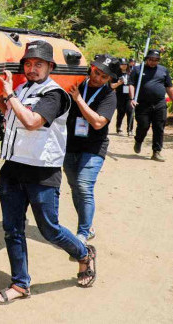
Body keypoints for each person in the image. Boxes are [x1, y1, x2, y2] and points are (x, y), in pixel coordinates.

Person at [0, 40, 97, 305]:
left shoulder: (55, 95)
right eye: (28, 63)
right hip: (13, 168)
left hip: (42, 173)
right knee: (12, 229)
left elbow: (30, 122)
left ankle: (83, 253)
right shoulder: (22, 89)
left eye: (39, 64)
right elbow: (11, 115)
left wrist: (9, 96)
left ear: (50, 66)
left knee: (49, 229)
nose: (32, 68)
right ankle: (20, 284)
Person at [63, 54, 119, 245]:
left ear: (109, 79)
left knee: (84, 186)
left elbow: (97, 123)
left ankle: (83, 233)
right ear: (92, 68)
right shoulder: (77, 82)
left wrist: (78, 99)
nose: (98, 78)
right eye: (97, 72)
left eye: (104, 77)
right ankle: (88, 225)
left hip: (94, 147)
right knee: (75, 187)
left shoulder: (109, 96)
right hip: (70, 145)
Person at [128, 49, 173, 162]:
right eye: (151, 59)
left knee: (159, 128)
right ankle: (138, 140)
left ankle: (156, 152)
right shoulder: (138, 69)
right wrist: (132, 98)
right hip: (142, 104)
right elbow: (131, 84)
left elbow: (169, 87)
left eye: (156, 60)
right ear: (147, 59)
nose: (153, 62)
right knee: (143, 126)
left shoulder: (163, 70)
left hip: (159, 103)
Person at [110, 58, 133, 136]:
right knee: (121, 113)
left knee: (130, 112)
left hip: (129, 96)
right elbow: (112, 86)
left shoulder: (131, 73)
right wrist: (118, 83)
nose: (124, 66)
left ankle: (130, 129)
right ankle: (118, 128)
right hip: (120, 95)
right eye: (122, 64)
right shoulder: (116, 74)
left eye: (125, 64)